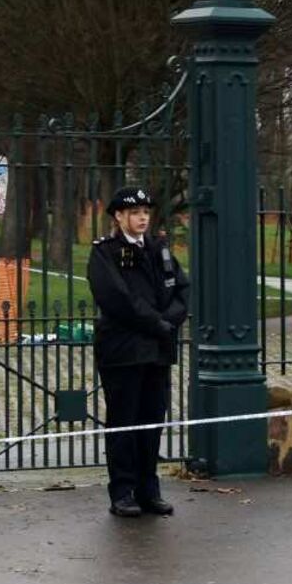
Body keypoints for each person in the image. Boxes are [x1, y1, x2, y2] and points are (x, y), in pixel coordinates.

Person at [87, 186, 189, 518]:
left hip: (157, 350)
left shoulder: (159, 249)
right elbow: (117, 299)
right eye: (134, 212)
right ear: (119, 216)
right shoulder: (105, 252)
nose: (142, 217)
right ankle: (122, 491)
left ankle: (149, 489)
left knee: (151, 421)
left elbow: (182, 290)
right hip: (123, 350)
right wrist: (157, 324)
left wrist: (169, 321)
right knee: (123, 422)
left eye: (146, 211)